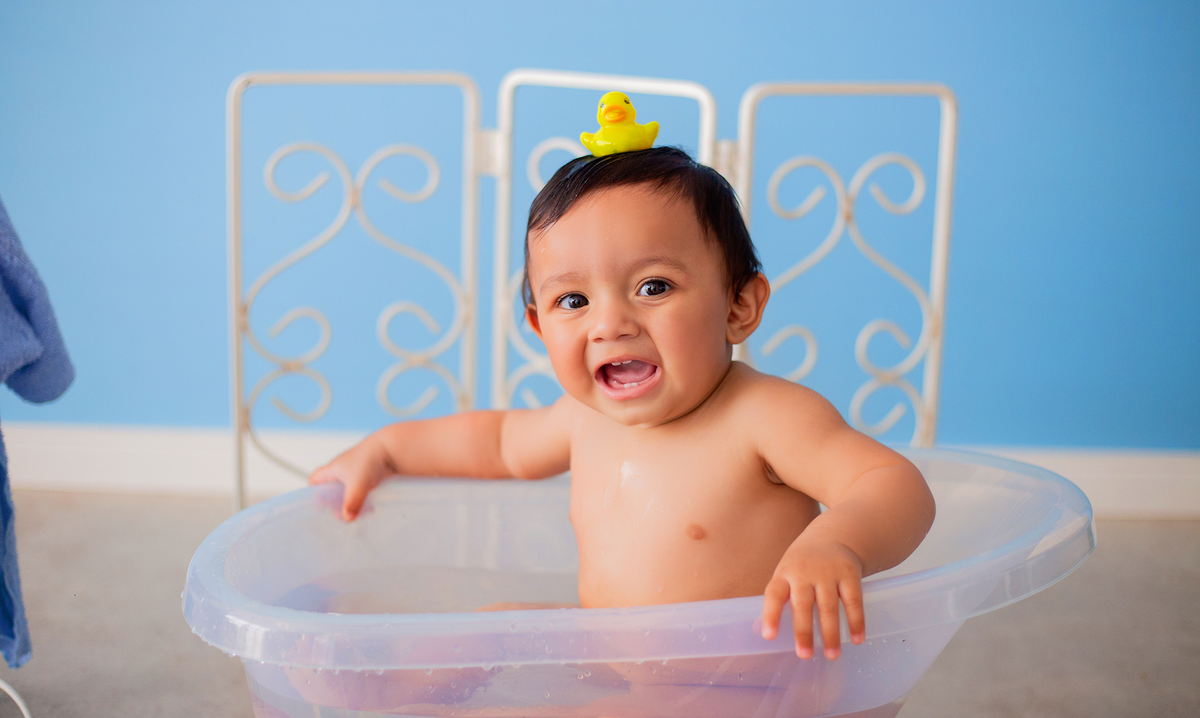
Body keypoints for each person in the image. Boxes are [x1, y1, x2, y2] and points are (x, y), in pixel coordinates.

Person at [310, 146, 935, 664]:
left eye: (653, 286)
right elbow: (497, 443)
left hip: (741, 680)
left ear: (739, 306)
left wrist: (836, 544)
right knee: (488, 628)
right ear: (537, 325)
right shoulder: (584, 418)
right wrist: (386, 449)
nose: (610, 323)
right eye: (573, 301)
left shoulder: (764, 416)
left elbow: (892, 483)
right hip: (613, 656)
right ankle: (378, 684)